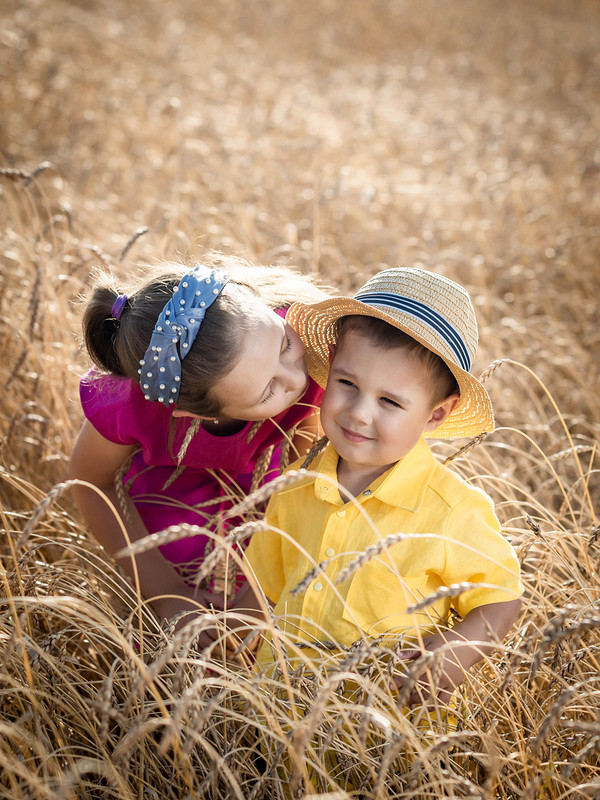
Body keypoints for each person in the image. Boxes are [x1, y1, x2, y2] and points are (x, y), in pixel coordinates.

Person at [242, 266, 523, 705]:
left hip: (385, 743)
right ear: (330, 368)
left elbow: (501, 599)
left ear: (435, 415)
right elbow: (261, 589)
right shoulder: (295, 484)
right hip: (278, 719)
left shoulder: (450, 511)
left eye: (389, 401)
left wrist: (455, 651)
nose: (358, 413)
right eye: (347, 383)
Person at [68, 254, 331, 628]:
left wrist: (256, 599)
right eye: (268, 390)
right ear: (195, 414)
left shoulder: (309, 345)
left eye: (284, 345)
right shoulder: (129, 404)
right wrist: (167, 594)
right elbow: (90, 482)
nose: (298, 379)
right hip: (166, 484)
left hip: (264, 474)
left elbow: (307, 486)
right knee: (175, 620)